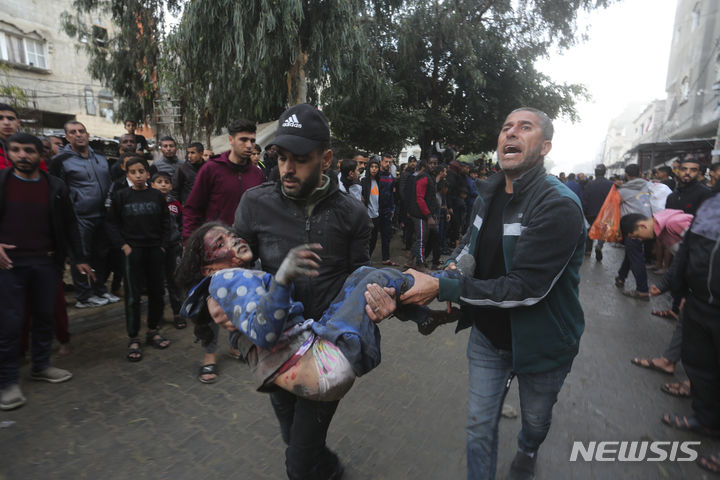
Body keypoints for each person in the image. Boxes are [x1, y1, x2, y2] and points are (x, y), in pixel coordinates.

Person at [398, 107, 586, 480]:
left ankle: (528, 450)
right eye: (505, 128)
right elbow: (468, 246)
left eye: (524, 127)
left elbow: (526, 287)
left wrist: (441, 286)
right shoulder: (488, 194)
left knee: (534, 422)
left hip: (543, 345)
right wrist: (448, 270)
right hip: (487, 338)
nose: (510, 134)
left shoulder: (558, 205)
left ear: (545, 146)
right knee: (478, 426)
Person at [232, 103, 376, 479]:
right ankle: (329, 468)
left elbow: (357, 280)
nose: (287, 169)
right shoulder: (254, 203)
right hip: (274, 341)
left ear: (326, 159)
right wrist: (233, 322)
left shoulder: (353, 215)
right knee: (292, 434)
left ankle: (316, 466)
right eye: (281, 158)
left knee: (297, 461)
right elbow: (236, 270)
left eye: (300, 159)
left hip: (325, 350)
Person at [177, 225, 458, 398]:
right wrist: (282, 279)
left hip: (317, 359)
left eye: (231, 234)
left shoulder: (230, 281)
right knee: (377, 278)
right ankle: (439, 281)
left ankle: (423, 315)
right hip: (320, 364)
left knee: (362, 274)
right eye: (220, 243)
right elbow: (264, 333)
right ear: (208, 269)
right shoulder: (225, 279)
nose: (234, 239)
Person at [0, 133, 93, 410]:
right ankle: (7, 382)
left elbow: (70, 224)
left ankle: (41, 366)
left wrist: (79, 258)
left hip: (46, 263)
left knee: (44, 318)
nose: (22, 156)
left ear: (41, 154)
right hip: (9, 266)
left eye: (28, 151)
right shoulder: (2, 182)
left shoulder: (56, 186)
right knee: (9, 324)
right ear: (8, 153)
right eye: (16, 150)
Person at [658, 192, 720, 445]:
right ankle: (707, 420)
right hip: (699, 303)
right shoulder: (710, 204)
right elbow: (686, 249)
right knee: (699, 364)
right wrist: (679, 288)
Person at [105, 157, 171, 361]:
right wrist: (123, 246)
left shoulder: (157, 196)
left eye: (141, 171)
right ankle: (133, 337)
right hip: (132, 251)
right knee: (133, 296)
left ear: (148, 174)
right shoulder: (121, 196)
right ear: (128, 176)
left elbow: (166, 222)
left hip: (154, 250)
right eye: (133, 172)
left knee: (157, 292)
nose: (138, 175)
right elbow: (111, 224)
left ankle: (153, 330)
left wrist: (162, 245)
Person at [50, 121, 118, 308]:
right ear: (67, 137)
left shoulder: (101, 158)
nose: (78, 135)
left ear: (87, 135)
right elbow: (56, 189)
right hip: (79, 217)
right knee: (81, 256)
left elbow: (109, 182)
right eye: (73, 132)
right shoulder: (61, 161)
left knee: (100, 255)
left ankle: (100, 290)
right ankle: (83, 296)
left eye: (82, 131)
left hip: (102, 215)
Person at [182, 120, 265, 243]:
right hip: (214, 245)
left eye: (252, 141)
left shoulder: (258, 175)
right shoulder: (211, 169)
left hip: (246, 248)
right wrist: (189, 243)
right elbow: (193, 209)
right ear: (231, 140)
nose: (249, 145)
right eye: (243, 140)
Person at [151, 171, 186, 329]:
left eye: (166, 182)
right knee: (157, 283)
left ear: (171, 185)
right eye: (159, 181)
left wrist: (180, 240)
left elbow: (181, 223)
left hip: (173, 247)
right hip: (156, 248)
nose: (163, 184)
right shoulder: (150, 202)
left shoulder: (175, 204)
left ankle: (178, 313)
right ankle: (157, 316)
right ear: (152, 185)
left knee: (174, 281)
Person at [614, 163, 653, 300]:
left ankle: (642, 290)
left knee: (636, 257)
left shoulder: (623, 191)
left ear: (626, 175)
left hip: (633, 227)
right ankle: (621, 277)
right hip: (648, 224)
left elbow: (613, 206)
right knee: (632, 252)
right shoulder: (647, 186)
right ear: (640, 173)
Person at [405, 158, 438, 271]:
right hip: (420, 214)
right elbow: (420, 198)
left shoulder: (429, 177)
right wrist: (429, 216)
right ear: (426, 164)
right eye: (430, 163)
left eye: (435, 163)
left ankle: (410, 260)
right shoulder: (423, 177)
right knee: (421, 239)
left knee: (422, 238)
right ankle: (421, 263)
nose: (433, 165)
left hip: (424, 213)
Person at [582, 164, 613, 261]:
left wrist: (584, 212)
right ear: (605, 172)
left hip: (591, 213)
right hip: (605, 213)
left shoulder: (589, 184)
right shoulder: (610, 184)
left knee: (590, 230)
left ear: (595, 173)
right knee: (603, 231)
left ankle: (588, 250)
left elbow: (585, 199)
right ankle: (599, 245)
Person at [0, 104, 21, 169]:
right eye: (0, 118)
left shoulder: (31, 147)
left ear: (18, 123)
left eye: (10, 119)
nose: (6, 123)